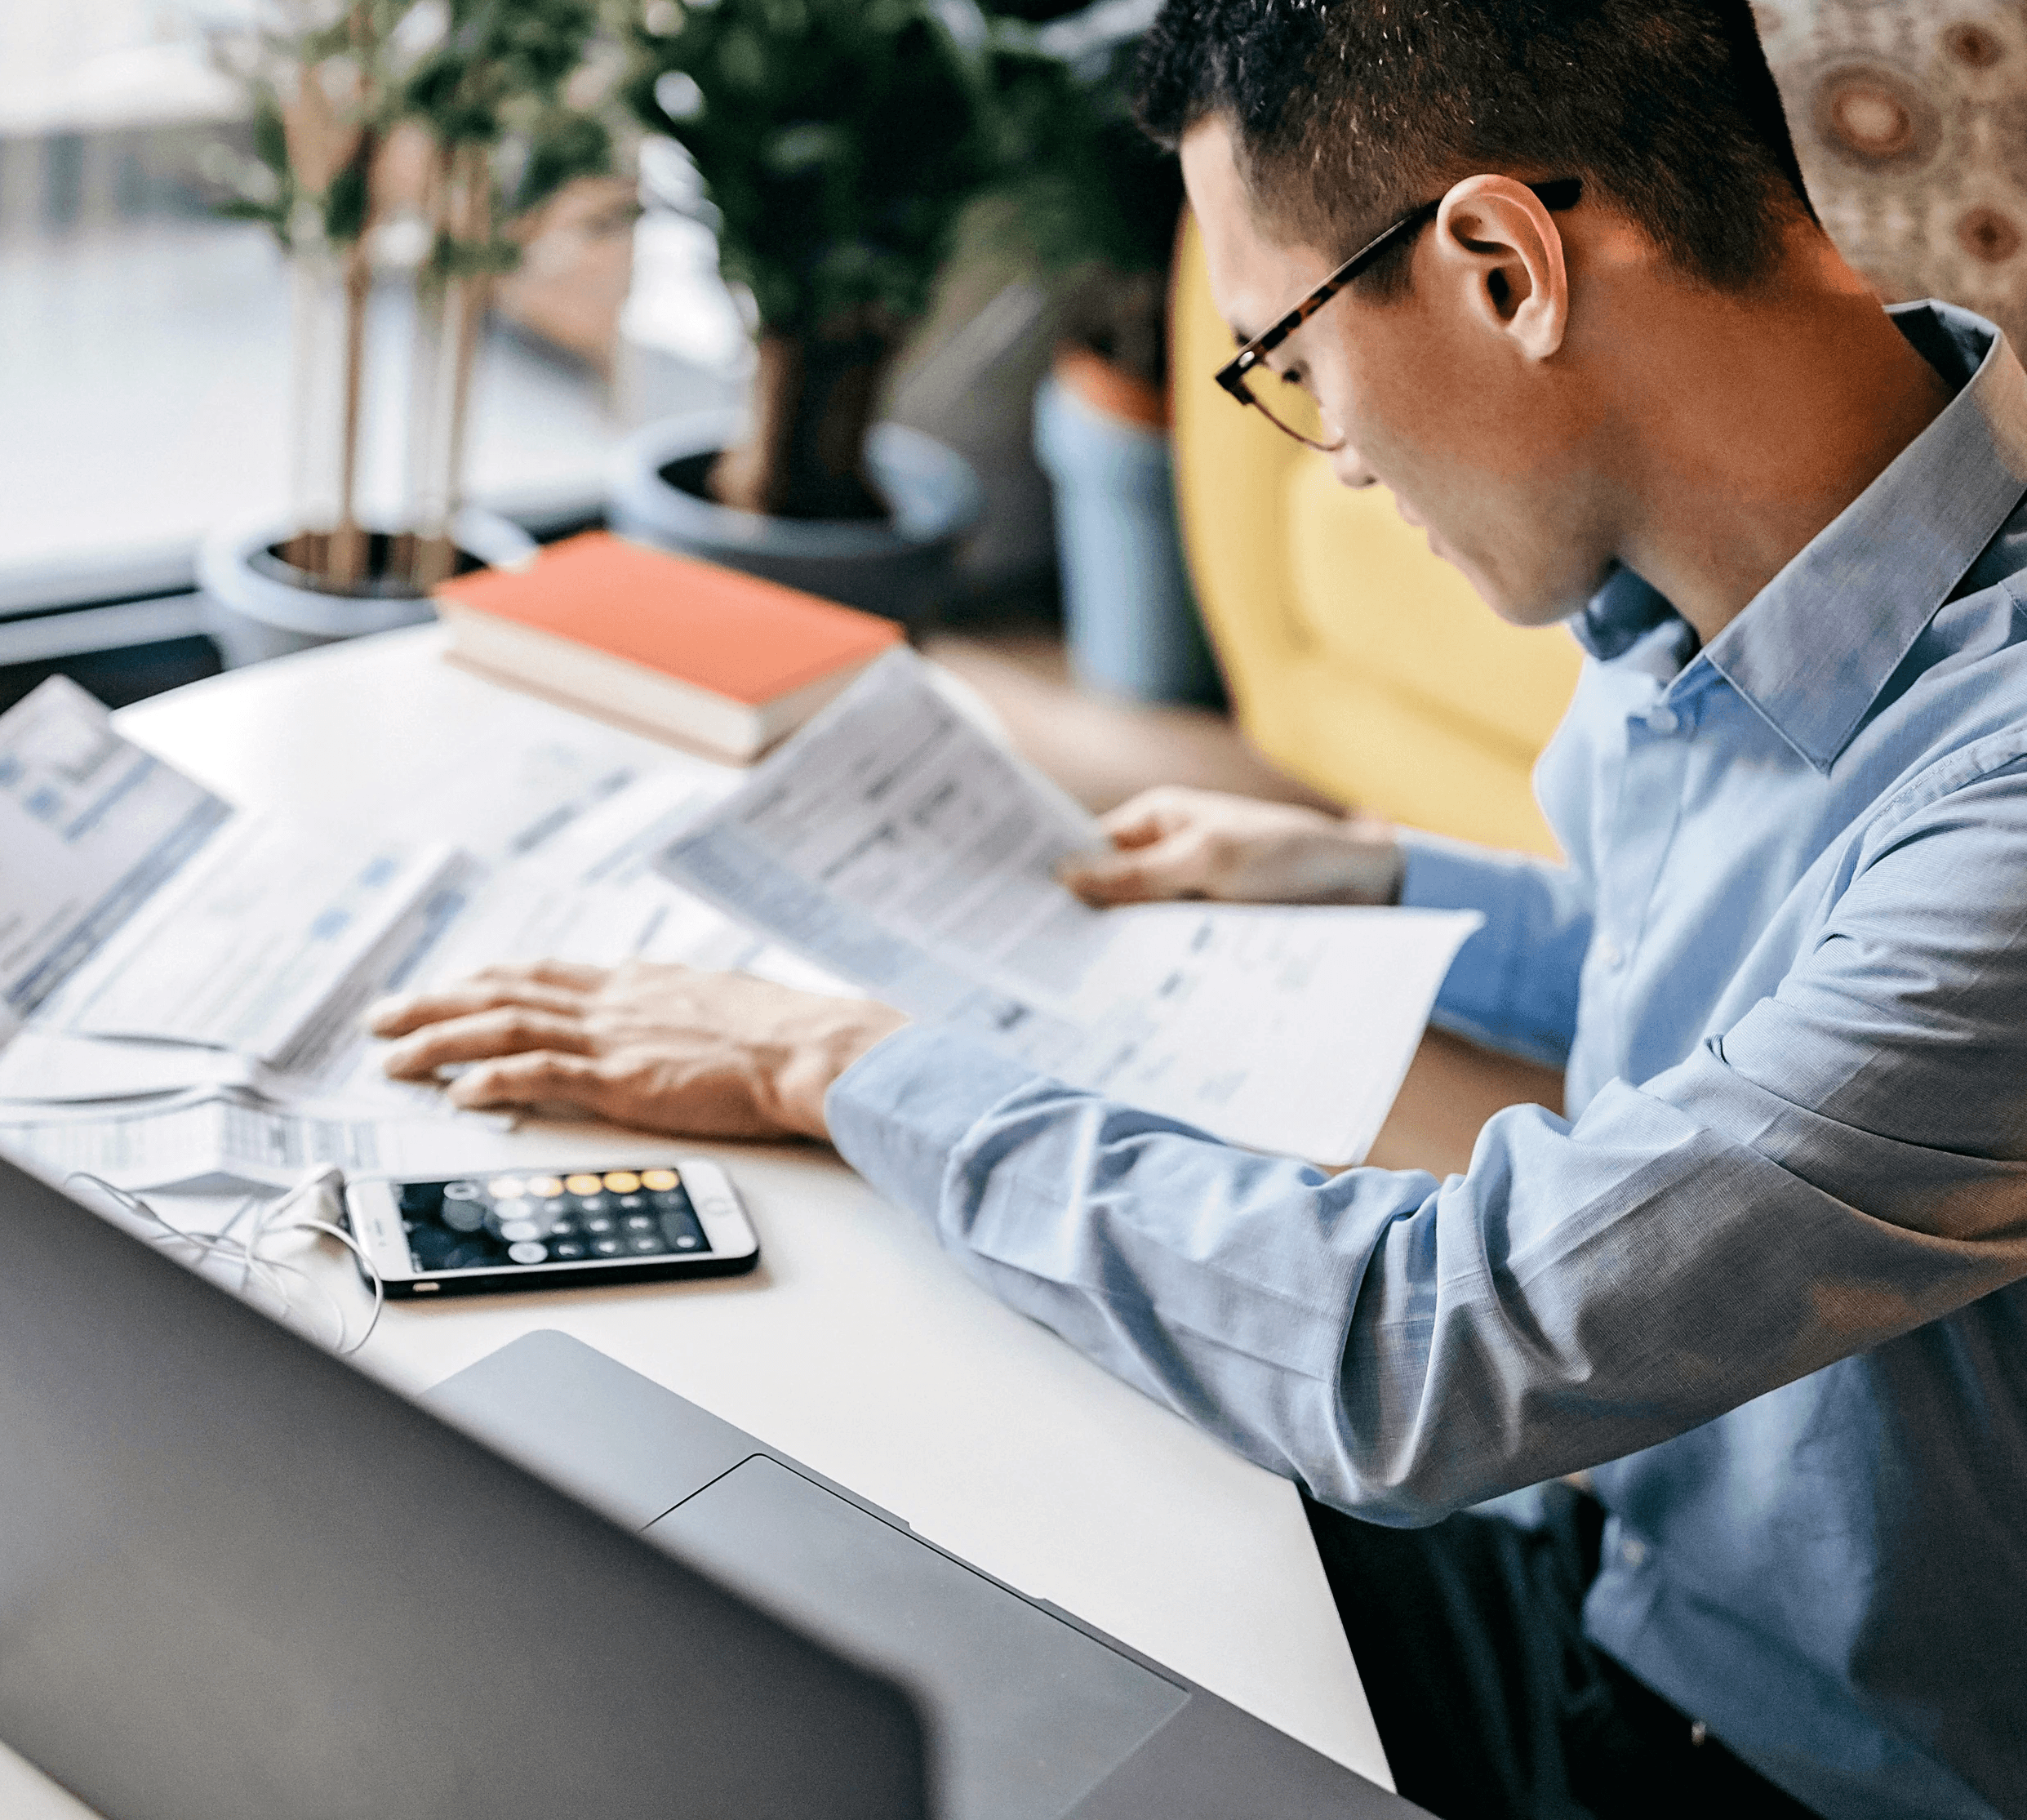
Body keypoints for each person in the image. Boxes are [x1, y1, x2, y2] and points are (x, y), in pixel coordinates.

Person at [370, 2, 2027, 1815]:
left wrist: (840, 1066)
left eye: (1291, 359)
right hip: (1600, 1565)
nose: (1334, 455)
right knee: (941, 1515)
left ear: (1502, 265)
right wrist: (1379, 876)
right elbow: (1757, 984)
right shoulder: (1738, 578)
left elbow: (1440, 1350)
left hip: (1770, 1761)